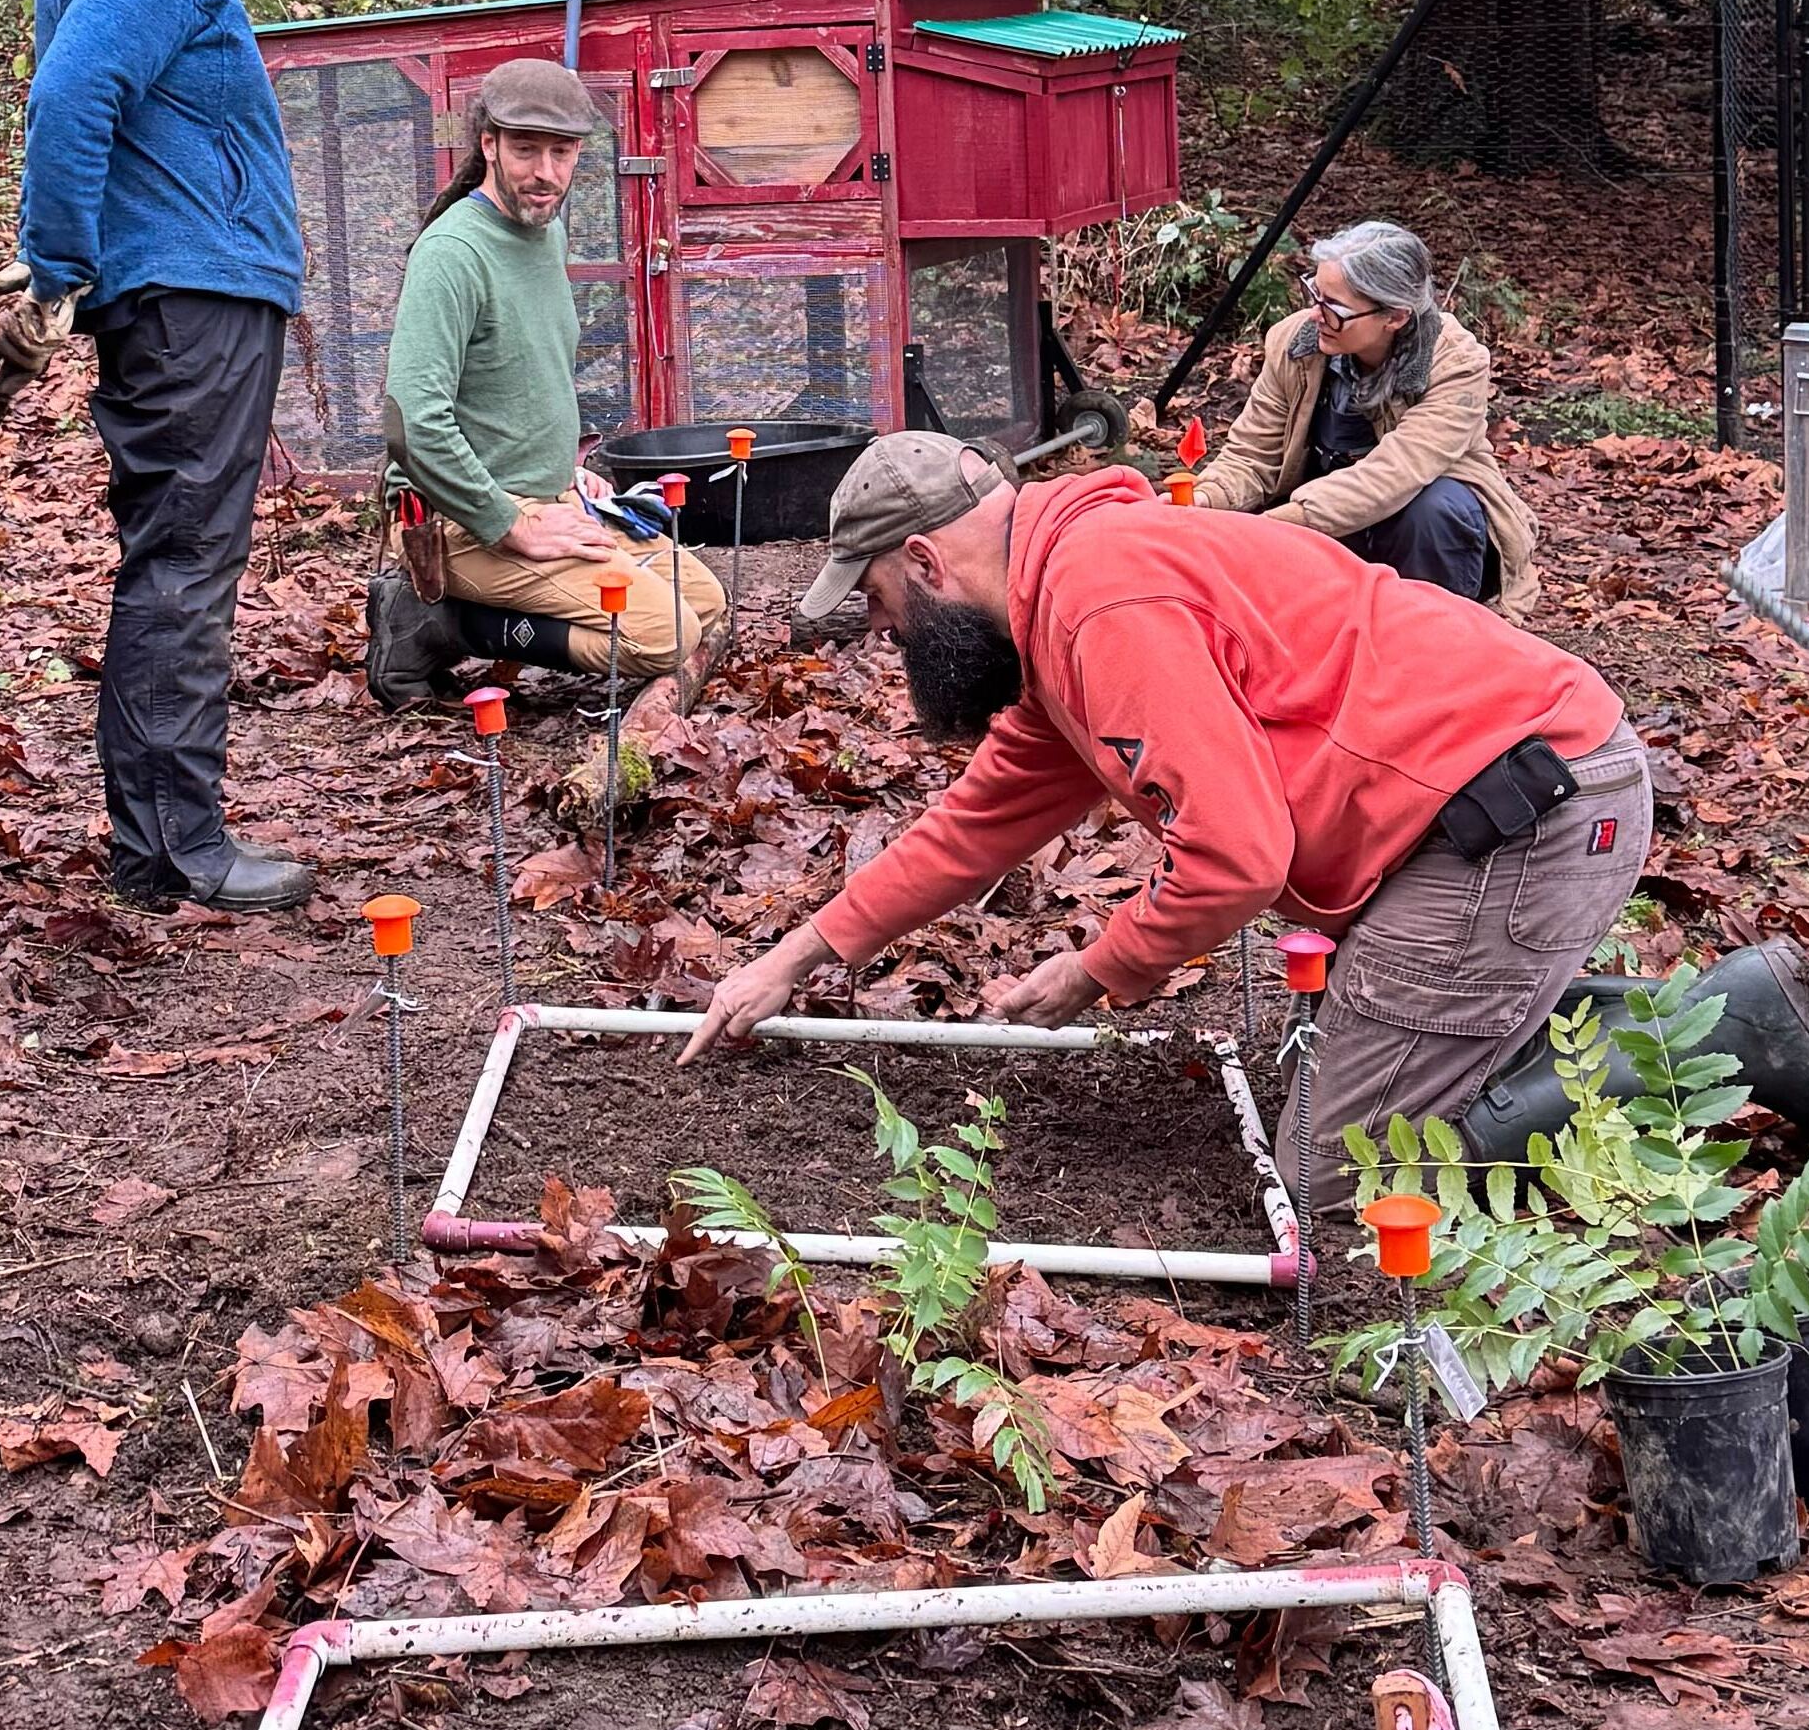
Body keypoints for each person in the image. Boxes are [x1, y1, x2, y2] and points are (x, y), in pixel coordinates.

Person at [680, 431, 1664, 1193]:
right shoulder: (1057, 618)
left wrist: (1102, 969)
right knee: (1380, 1083)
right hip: (1475, 813)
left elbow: (1235, 859)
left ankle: (1720, 1039)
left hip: (1521, 813)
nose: (885, 629)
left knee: (1335, 1185)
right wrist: (791, 959)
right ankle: (1614, 1026)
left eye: (880, 599)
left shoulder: (1101, 603)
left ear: (929, 561)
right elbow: (971, 827)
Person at [16, 0, 316, 912]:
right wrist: (56, 263)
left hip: (182, 287)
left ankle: (161, 839)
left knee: (175, 561)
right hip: (190, 292)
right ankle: (179, 848)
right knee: (187, 567)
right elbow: (74, 92)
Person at [367, 57, 728, 708]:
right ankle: (441, 623)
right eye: (526, 150)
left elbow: (521, 374)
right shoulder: (453, 254)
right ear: (489, 145)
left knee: (705, 600)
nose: (546, 173)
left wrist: (561, 471)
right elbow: (411, 420)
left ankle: (484, 598)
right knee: (663, 633)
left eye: (562, 153)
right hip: (457, 519)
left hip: (545, 498)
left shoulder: (545, 233)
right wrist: (510, 523)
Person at [1191, 218, 1537, 605]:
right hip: (1320, 514)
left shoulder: (1454, 363)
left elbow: (1393, 476)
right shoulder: (1294, 343)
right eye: (1315, 294)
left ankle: (1433, 634)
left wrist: (1279, 525)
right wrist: (1202, 500)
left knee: (1435, 509)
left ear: (1396, 316)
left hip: (1413, 531)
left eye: (1335, 306)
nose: (1316, 315)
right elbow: (1252, 454)